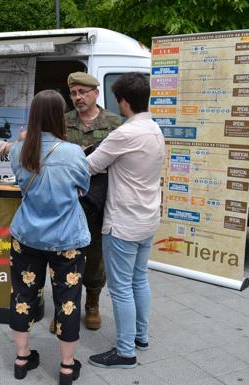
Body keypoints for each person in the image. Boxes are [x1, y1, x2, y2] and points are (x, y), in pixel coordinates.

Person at [9, 90, 89, 385]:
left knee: (22, 295)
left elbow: (20, 183)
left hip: (27, 236)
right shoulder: (73, 152)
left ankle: (21, 358)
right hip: (67, 238)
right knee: (67, 300)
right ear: (59, 116)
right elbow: (84, 187)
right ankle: (67, 367)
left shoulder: (18, 150)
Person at [87, 72, 165, 369]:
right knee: (139, 279)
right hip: (147, 218)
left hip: (122, 222)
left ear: (123, 101)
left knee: (120, 287)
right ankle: (140, 337)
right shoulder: (155, 129)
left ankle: (125, 351)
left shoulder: (124, 133)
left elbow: (90, 165)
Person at [46, 72, 122, 332]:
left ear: (95, 93)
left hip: (101, 202)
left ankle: (92, 302)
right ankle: (63, 308)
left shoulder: (114, 123)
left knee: (95, 255)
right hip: (68, 202)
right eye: (74, 93)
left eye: (82, 92)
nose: (77, 98)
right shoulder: (63, 122)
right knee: (63, 255)